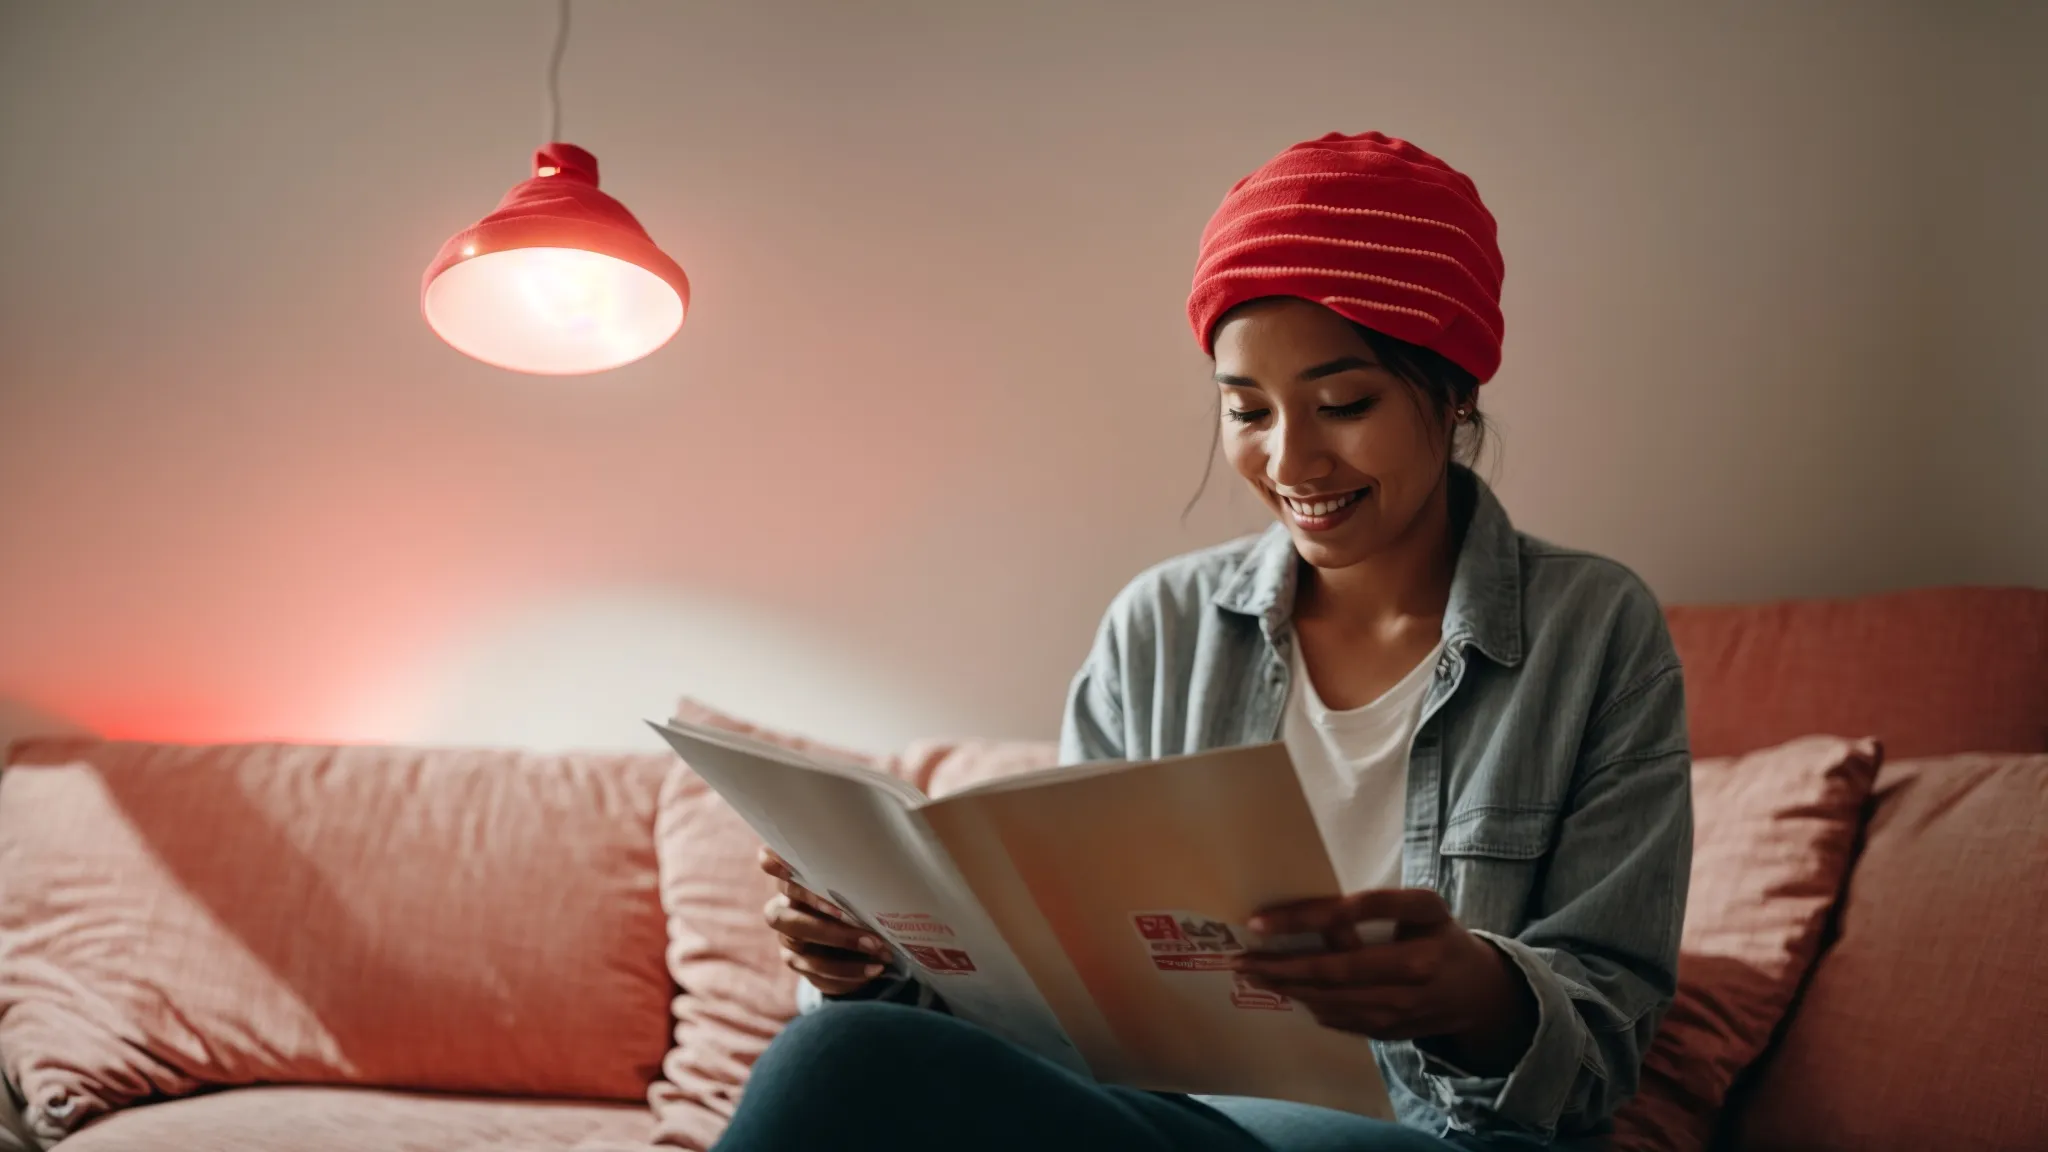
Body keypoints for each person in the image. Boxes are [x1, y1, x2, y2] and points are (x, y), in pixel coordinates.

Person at [723, 132, 1692, 1151]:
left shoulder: (1591, 631)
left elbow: (1603, 1046)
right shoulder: (1158, 627)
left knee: (844, 1067)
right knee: (844, 1046)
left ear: (1453, 390)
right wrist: (876, 966)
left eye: (1342, 404)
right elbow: (1060, 997)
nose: (1290, 459)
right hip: (1160, 1120)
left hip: (1441, 1136)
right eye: (1244, 410)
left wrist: (1472, 992)